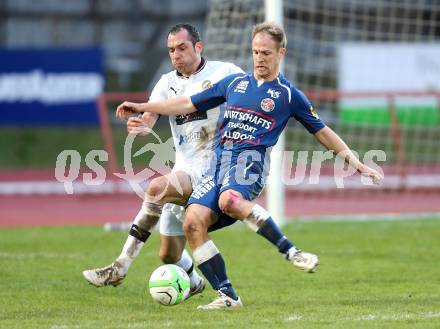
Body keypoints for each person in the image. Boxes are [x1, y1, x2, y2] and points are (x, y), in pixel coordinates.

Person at [115, 22, 384, 310]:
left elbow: (323, 132)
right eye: (256, 52)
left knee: (228, 200)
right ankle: (228, 296)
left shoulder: (288, 95)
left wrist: (356, 163)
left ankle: (291, 251)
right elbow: (185, 104)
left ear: (281, 52)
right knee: (192, 222)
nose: (260, 58)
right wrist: (144, 106)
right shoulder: (235, 84)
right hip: (217, 166)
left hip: (249, 164)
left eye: (266, 53)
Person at [82, 23, 243, 297]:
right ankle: (193, 282)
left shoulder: (224, 72)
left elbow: (250, 93)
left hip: (214, 169)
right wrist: (142, 126)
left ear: (198, 47)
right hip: (184, 168)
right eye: (171, 50)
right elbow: (150, 118)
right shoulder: (166, 83)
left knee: (156, 188)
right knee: (168, 255)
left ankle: (119, 267)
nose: (176, 54)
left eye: (182, 48)